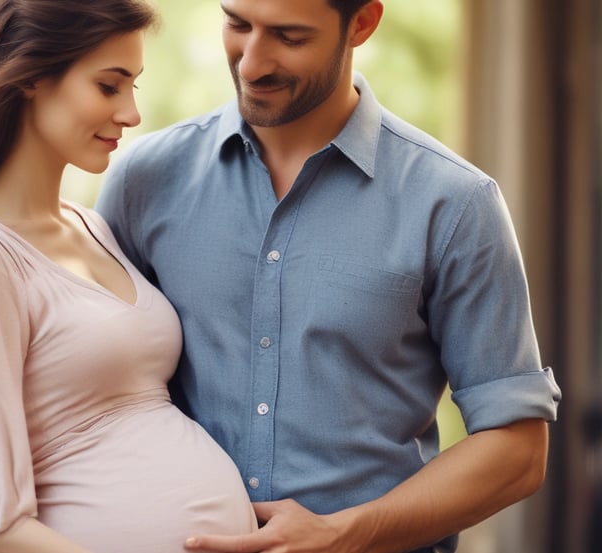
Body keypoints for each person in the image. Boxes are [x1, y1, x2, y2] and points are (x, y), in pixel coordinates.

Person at [95, 0, 563, 552]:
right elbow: (90, 397)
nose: (250, 64)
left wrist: (345, 535)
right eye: (237, 24)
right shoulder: (142, 182)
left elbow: (517, 450)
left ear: (361, 24)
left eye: (289, 37)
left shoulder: (456, 203)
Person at [0, 1, 257, 552]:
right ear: (31, 78)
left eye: (134, 87)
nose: (131, 114)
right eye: (109, 86)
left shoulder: (91, 226)